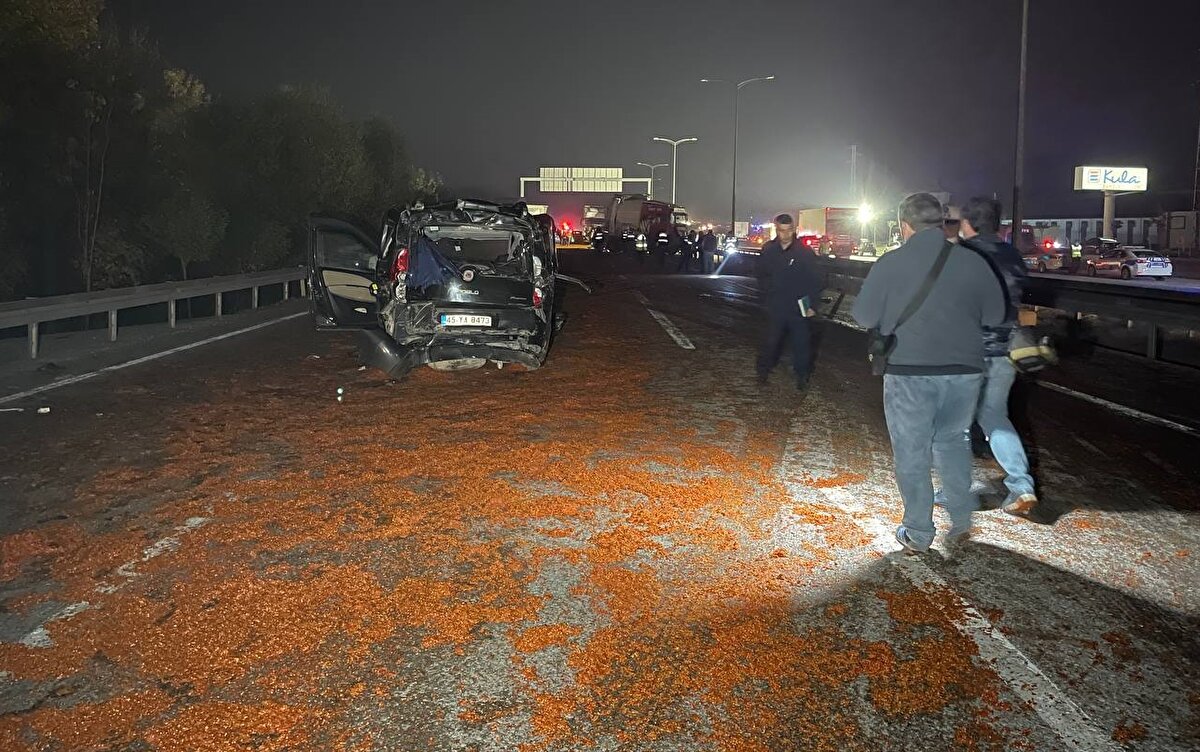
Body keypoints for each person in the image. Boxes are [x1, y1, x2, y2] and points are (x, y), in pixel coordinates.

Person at [852, 193, 1007, 553]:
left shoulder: (891, 263)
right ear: (941, 224)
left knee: (912, 450)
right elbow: (996, 315)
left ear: (904, 225)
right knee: (952, 439)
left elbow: (863, 316)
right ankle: (961, 514)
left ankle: (919, 532)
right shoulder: (973, 262)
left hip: (909, 372)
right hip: (965, 372)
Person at [958, 197, 1038, 516]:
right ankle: (1021, 486)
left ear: (968, 224)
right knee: (994, 416)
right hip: (1006, 348)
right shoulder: (1012, 254)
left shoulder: (963, 255)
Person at [756, 214, 822, 390]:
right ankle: (763, 371)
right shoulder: (769, 250)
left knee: (801, 343)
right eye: (780, 230)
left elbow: (816, 280)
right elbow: (760, 275)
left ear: (793, 230)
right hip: (776, 305)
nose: (784, 235)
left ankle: (802, 376)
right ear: (776, 229)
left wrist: (812, 305)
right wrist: (766, 296)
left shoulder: (804, 253)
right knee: (770, 341)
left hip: (799, 306)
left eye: (788, 231)